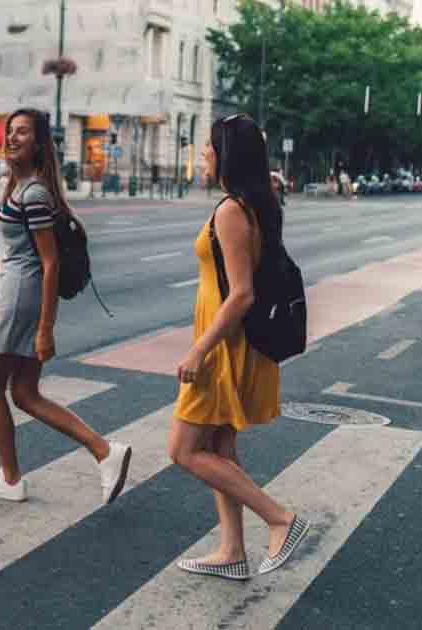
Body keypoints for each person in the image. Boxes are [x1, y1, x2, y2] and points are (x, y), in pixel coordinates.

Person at [0, 108, 132, 504]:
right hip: (17, 291)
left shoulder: (34, 193)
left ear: (39, 143)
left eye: (22, 132)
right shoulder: (22, 189)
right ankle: (105, 452)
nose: (12, 137)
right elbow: (9, 252)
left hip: (21, 298)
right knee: (24, 392)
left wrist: (45, 328)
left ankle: (10, 478)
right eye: (10, 131)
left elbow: (50, 260)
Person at [170, 114, 307, 581]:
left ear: (225, 153)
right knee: (219, 445)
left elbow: (242, 293)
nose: (204, 153)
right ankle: (231, 550)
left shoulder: (231, 210)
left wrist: (199, 351)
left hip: (223, 346)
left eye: (209, 146)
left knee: (184, 450)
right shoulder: (253, 204)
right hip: (232, 342)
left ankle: (280, 519)